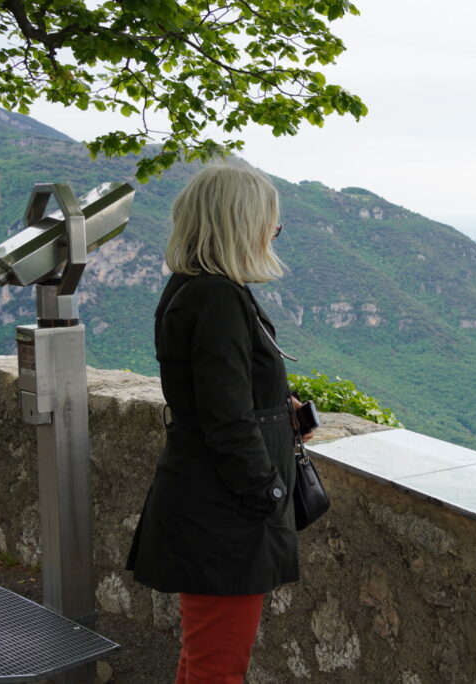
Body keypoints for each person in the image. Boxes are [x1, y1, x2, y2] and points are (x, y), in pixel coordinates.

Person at [126, 163, 310, 683]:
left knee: (204, 660)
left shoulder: (195, 288)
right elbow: (225, 419)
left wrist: (282, 407)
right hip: (224, 513)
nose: (271, 235)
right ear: (239, 222)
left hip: (210, 502)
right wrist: (269, 497)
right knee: (218, 669)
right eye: (268, 223)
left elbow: (221, 387)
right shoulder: (216, 297)